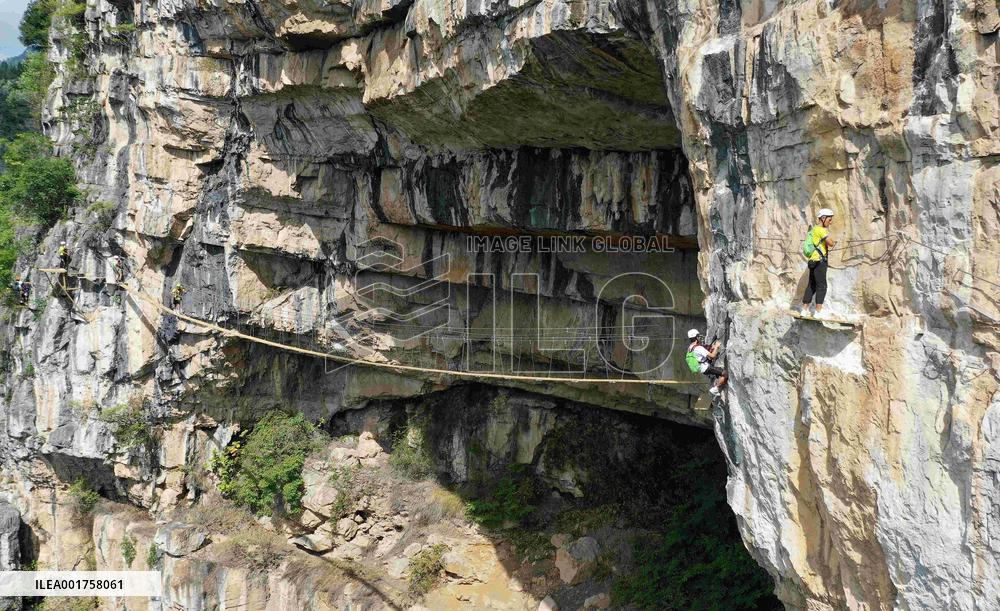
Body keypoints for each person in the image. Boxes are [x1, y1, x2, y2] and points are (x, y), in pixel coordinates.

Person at [800, 208, 837, 318]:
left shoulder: (814, 230)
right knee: (822, 286)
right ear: (823, 218)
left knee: (811, 285)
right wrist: (833, 241)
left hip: (812, 260)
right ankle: (818, 312)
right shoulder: (822, 230)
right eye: (829, 220)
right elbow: (831, 243)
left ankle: (804, 310)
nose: (830, 222)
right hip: (820, 261)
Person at [686, 328, 727, 397]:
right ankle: (715, 389)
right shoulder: (698, 348)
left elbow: (700, 355)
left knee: (718, 371)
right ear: (696, 337)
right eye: (698, 336)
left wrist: (711, 348)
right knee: (725, 374)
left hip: (701, 368)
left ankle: (716, 380)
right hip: (706, 367)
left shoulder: (690, 347)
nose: (700, 338)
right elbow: (712, 356)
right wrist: (716, 347)